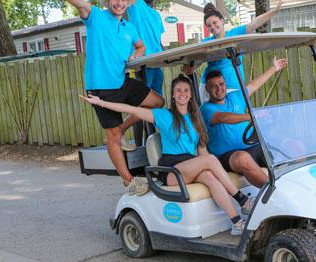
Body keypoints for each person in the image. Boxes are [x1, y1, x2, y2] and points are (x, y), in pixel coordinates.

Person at [80, 74, 254, 235]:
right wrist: (101, 103)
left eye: (186, 90)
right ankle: (242, 200)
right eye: (178, 90)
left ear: (191, 95)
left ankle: (236, 223)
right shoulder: (163, 115)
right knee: (209, 160)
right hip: (171, 170)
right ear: (172, 95)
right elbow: (131, 109)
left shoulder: (196, 119)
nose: (182, 94)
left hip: (189, 165)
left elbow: (202, 151)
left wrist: (218, 171)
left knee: (210, 176)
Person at [50, 0, 164, 188]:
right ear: (108, 0)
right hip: (100, 88)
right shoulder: (97, 18)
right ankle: (129, 180)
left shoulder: (129, 27)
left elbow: (141, 46)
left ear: (127, 1)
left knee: (158, 102)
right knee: (111, 135)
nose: (119, 3)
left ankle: (123, 129)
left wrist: (136, 55)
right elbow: (80, 3)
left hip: (122, 82)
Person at [201, 57, 288, 187]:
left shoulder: (235, 97)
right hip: (227, 156)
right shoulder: (206, 108)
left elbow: (254, 85)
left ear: (225, 84)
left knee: (291, 147)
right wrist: (252, 117)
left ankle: (294, 186)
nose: (219, 88)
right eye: (213, 86)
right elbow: (223, 117)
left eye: (221, 84)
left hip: (252, 147)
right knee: (243, 158)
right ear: (207, 89)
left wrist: (273, 68)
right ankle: (273, 193)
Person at [121, 0, 165, 147]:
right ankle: (139, 146)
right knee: (143, 105)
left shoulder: (156, 16)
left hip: (159, 64)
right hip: (145, 64)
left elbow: (159, 42)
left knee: (157, 106)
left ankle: (155, 145)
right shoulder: (136, 6)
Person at [199, 0, 284, 94]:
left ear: (222, 20)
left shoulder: (234, 34)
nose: (212, 27)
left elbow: (254, 23)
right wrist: (191, 68)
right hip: (210, 88)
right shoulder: (206, 42)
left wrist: (274, 11)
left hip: (234, 86)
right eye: (209, 26)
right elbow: (197, 60)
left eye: (214, 22)